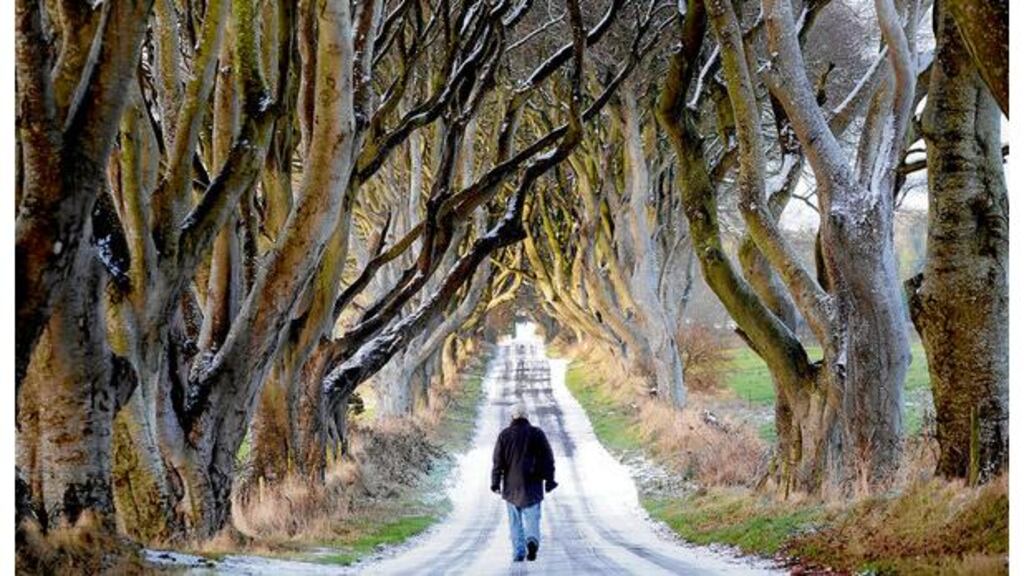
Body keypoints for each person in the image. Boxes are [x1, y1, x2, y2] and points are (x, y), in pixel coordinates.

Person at [490, 402, 558, 562]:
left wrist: (495, 482)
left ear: (512, 416)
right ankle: (532, 540)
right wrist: (549, 480)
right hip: (533, 483)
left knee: (515, 521)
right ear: (527, 416)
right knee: (533, 516)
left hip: (511, 485)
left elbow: (498, 462)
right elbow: (548, 459)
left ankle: (519, 551)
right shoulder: (537, 434)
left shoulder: (504, 436)